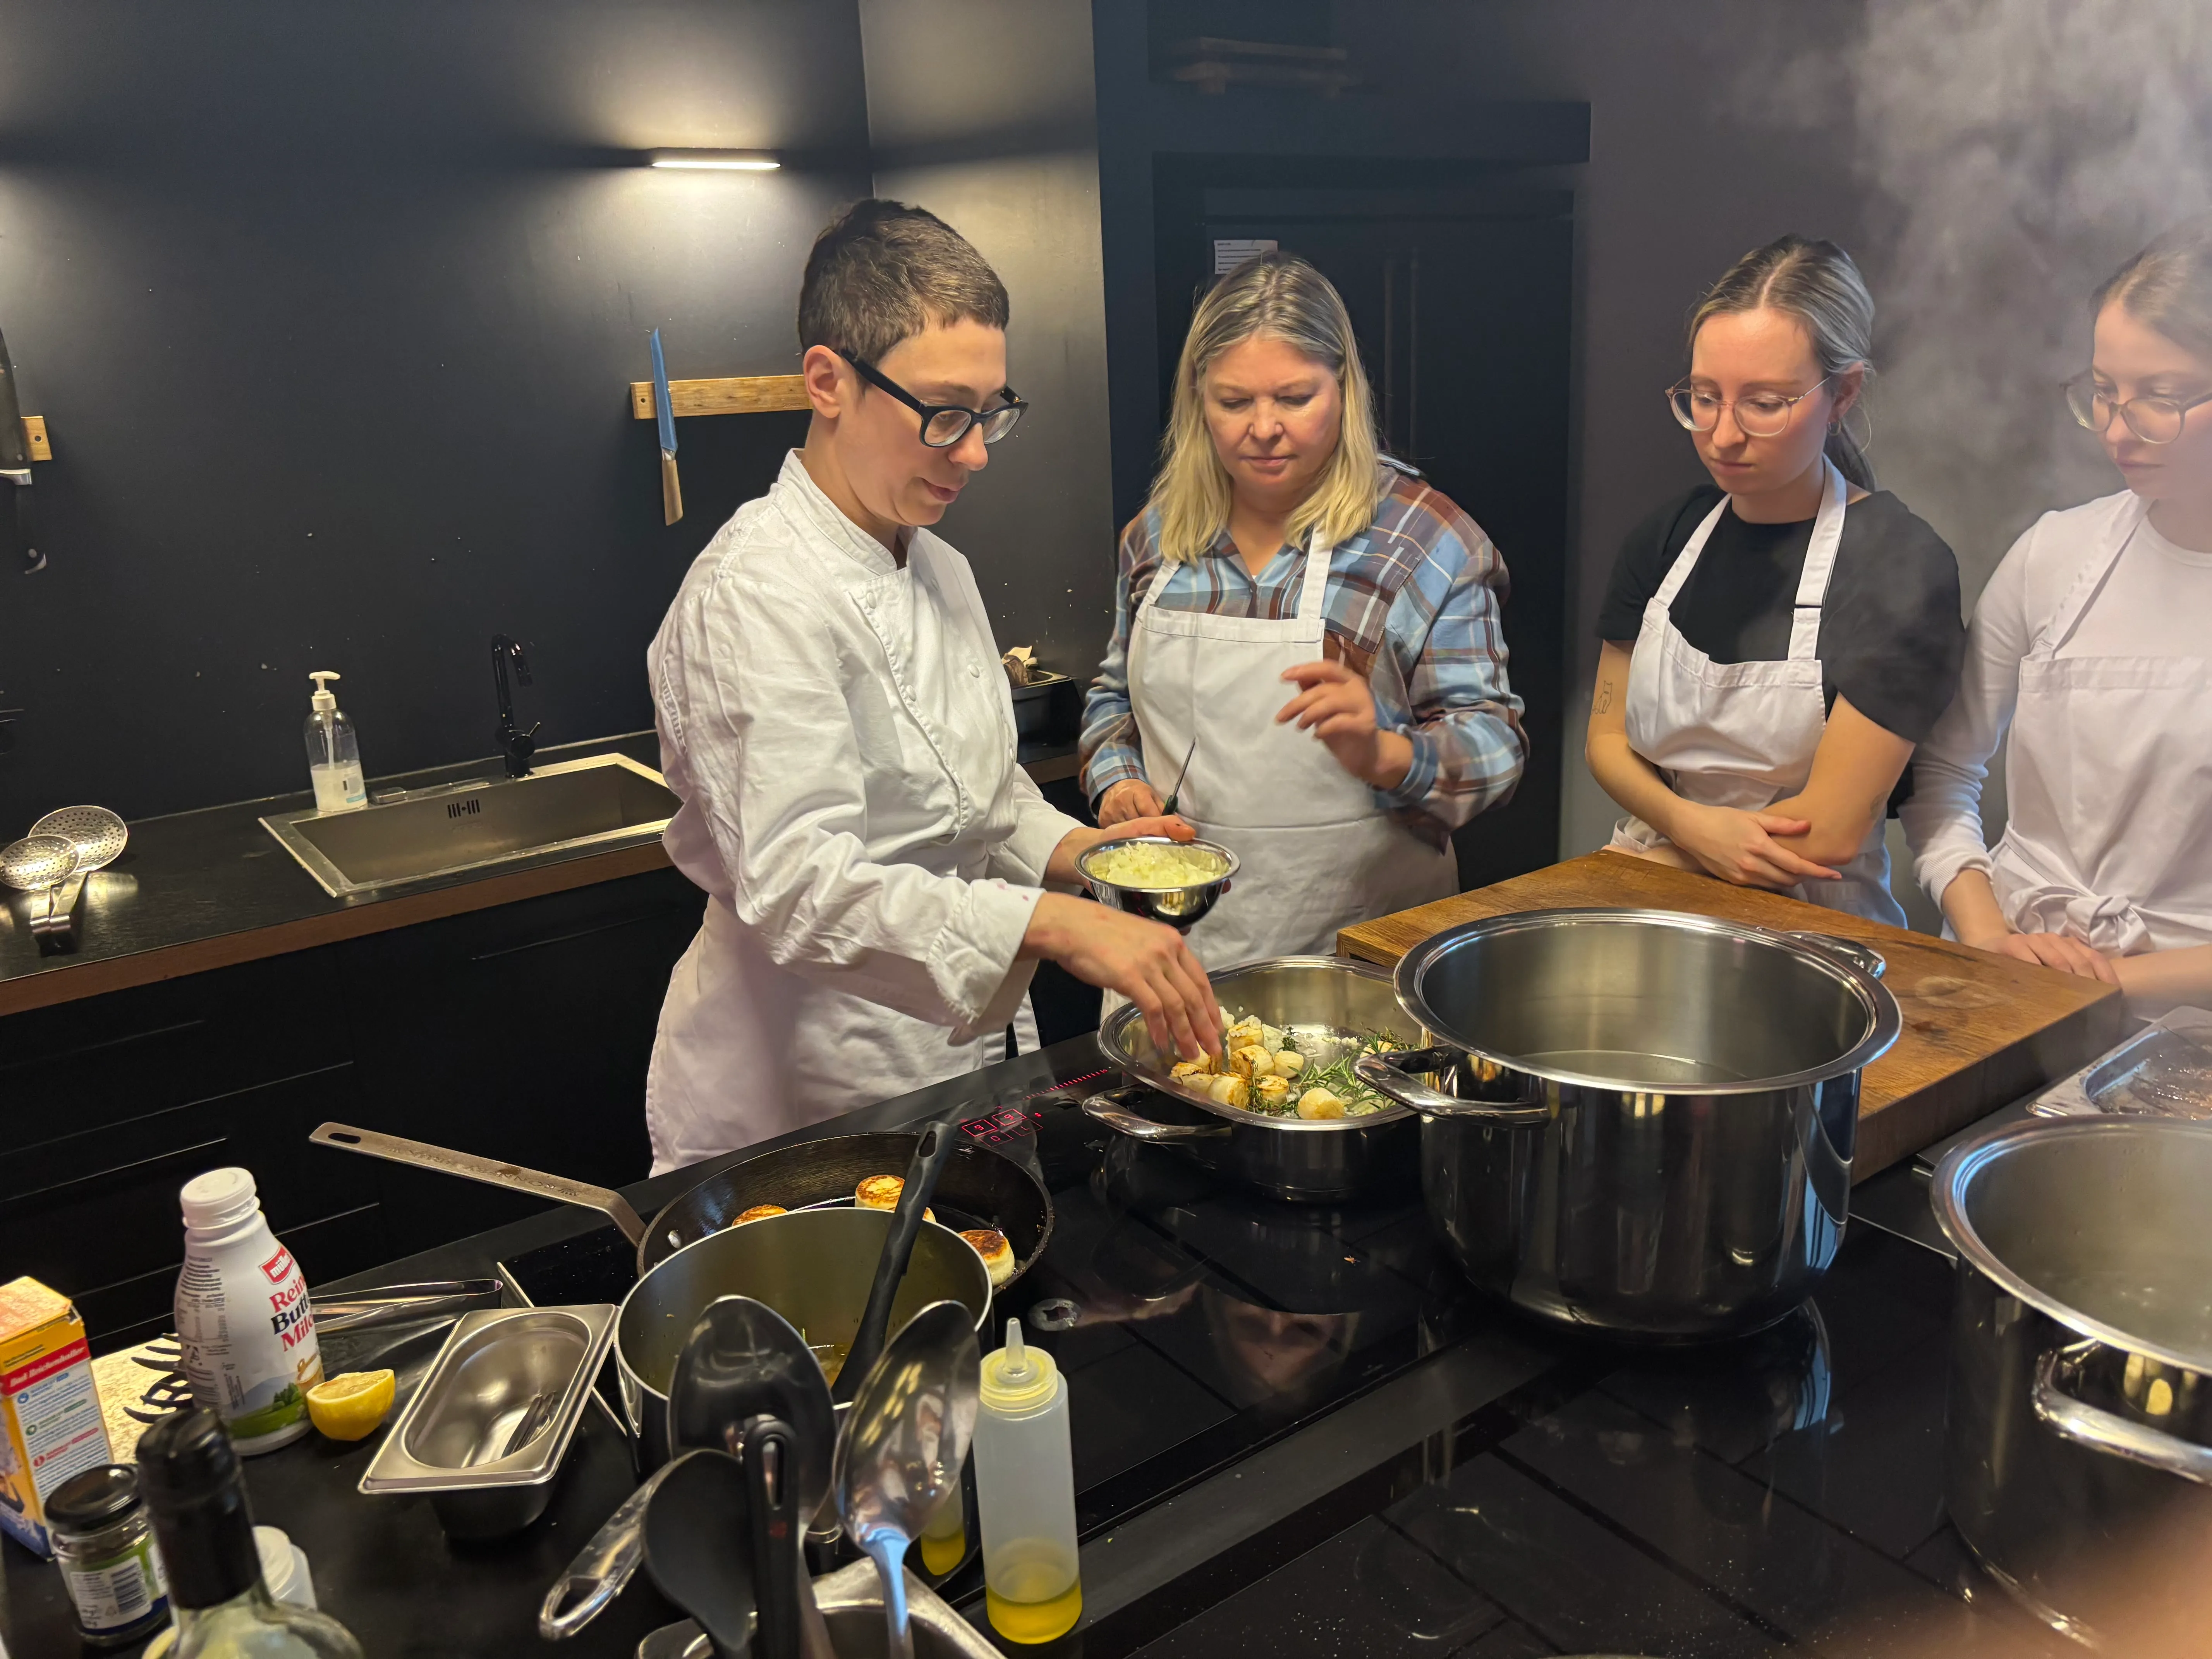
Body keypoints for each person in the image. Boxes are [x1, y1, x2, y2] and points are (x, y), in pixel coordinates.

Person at [645, 200, 1218, 1173]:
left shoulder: (938, 567)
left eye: (992, 411)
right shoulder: (754, 593)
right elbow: (801, 887)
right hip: (805, 1088)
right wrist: (1054, 924)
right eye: (944, 413)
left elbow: (982, 805)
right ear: (828, 380)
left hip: (959, 1058)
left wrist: (1089, 855)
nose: (976, 452)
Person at [1079, 252, 1525, 968]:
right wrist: (1118, 780)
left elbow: (1496, 750)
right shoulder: (1156, 539)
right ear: (1198, 397)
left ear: (1343, 389)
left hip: (1358, 952)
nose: (1264, 428)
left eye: (1294, 398)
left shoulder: (1423, 541)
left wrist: (1386, 753)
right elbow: (1111, 698)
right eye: (1233, 402)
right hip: (1172, 952)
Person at [1587, 235, 1964, 924]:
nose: (1723, 437)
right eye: (1704, 397)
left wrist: (1665, 862)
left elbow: (1829, 830)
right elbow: (1607, 742)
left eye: (1764, 404)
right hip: (1651, 880)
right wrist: (1689, 826)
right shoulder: (1667, 539)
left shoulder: (1902, 567)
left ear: (1843, 392)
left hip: (1810, 922)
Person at [1902, 218, 2212, 1015]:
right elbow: (1943, 776)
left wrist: (2099, 984)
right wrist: (1988, 937)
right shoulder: (2054, 556)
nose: (2116, 428)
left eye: (2161, 398)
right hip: (2007, 992)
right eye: (2104, 390)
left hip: (2185, 1032)